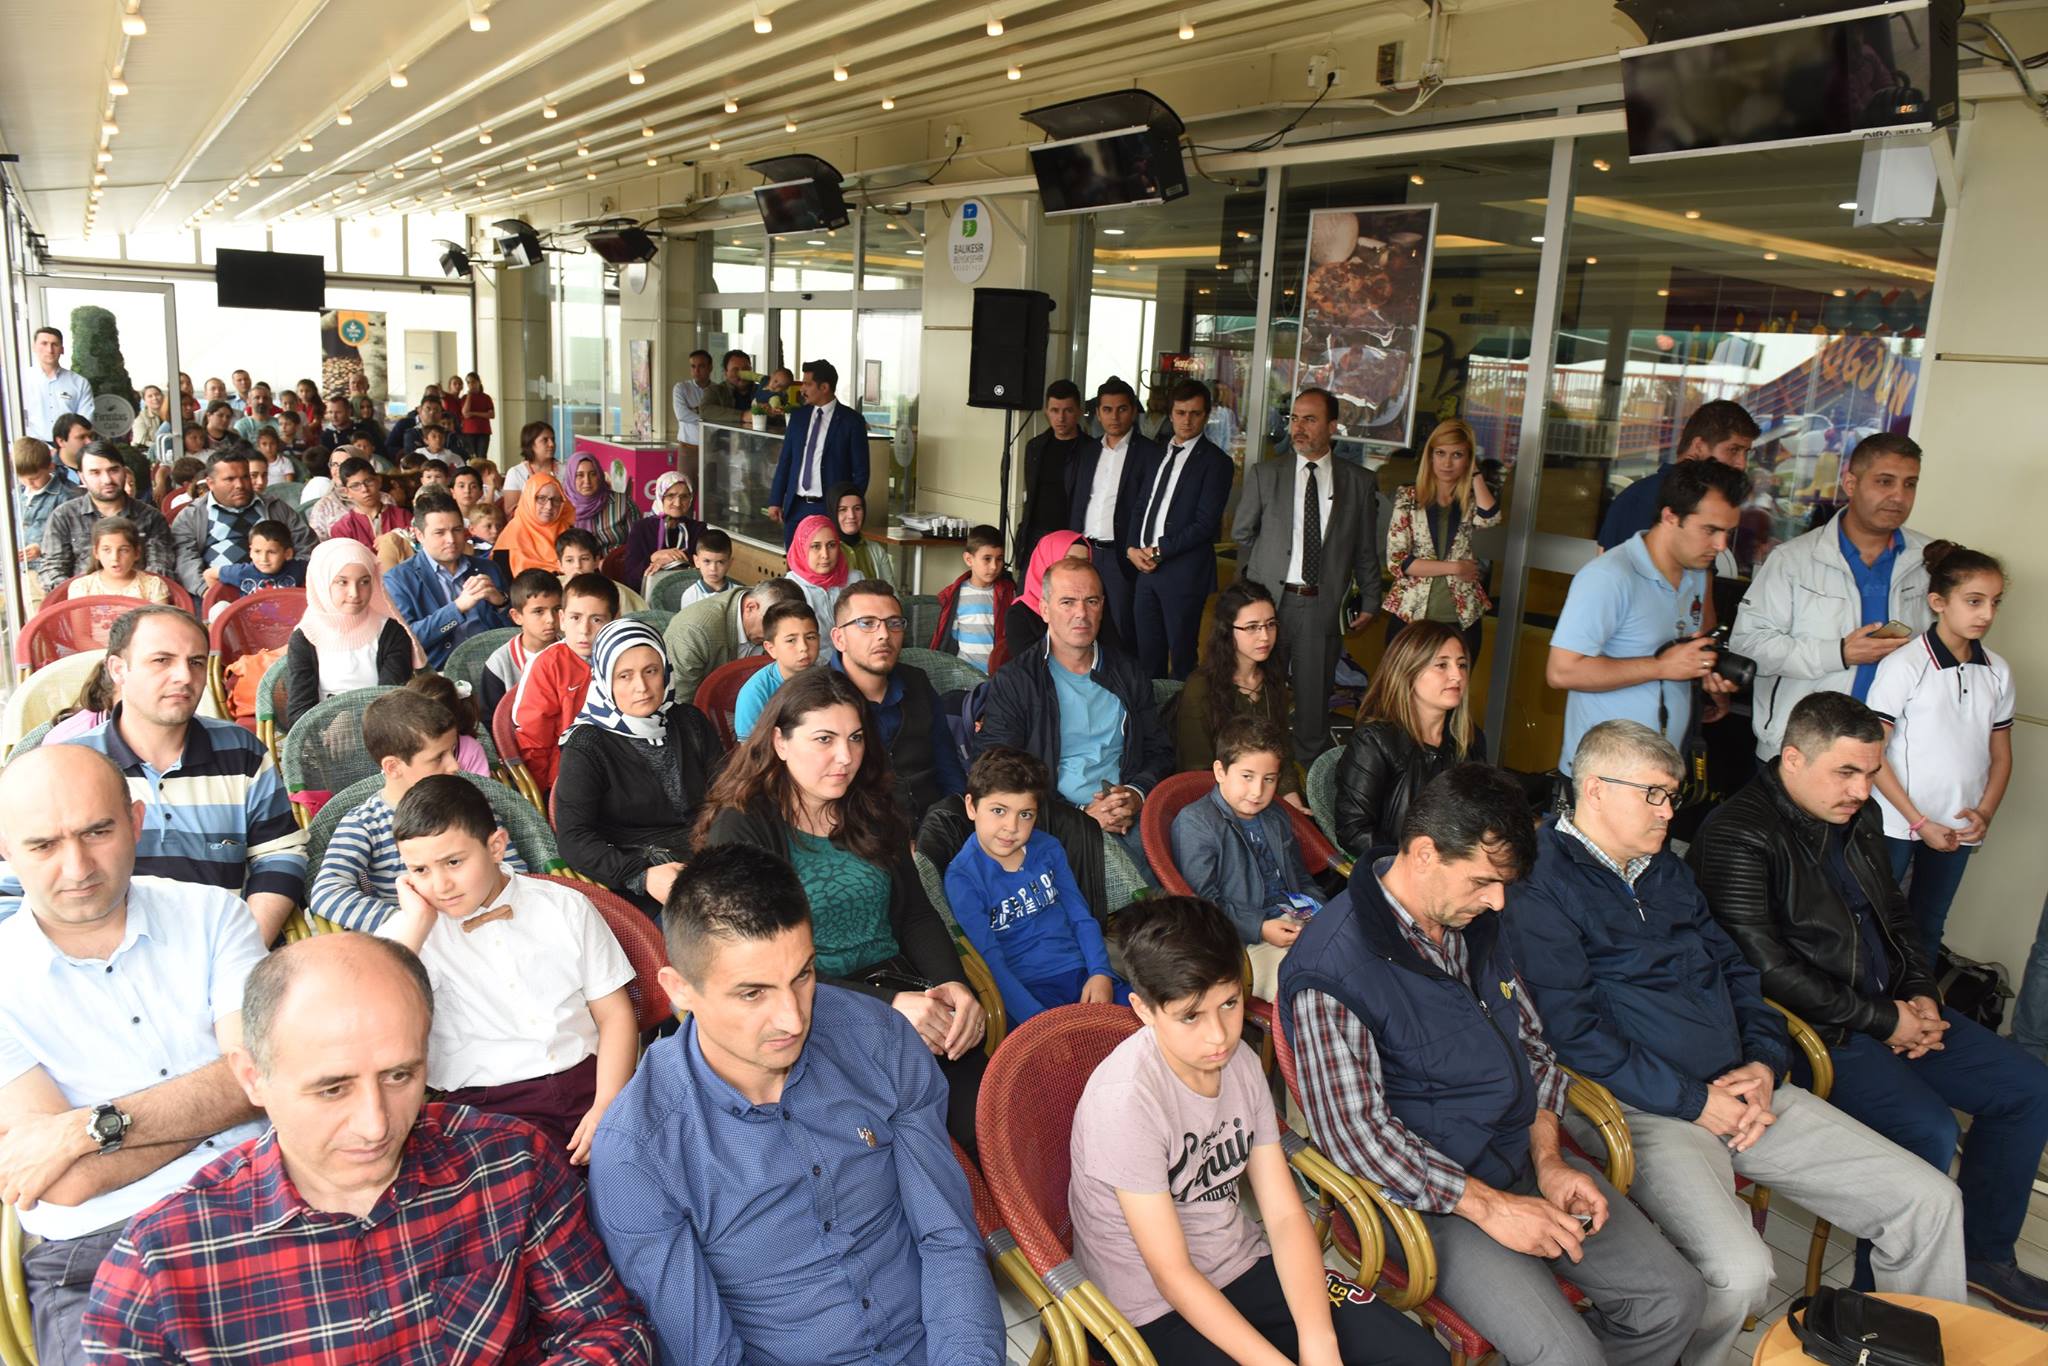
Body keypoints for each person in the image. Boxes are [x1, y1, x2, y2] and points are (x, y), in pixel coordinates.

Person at [1510, 720, 1968, 1362]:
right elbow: (1573, 1034)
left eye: (1672, 796)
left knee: (1930, 1201)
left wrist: (1763, 1062)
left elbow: (1738, 972)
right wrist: (1696, 1101)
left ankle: (1904, 1356)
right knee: (1742, 1274)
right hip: (1642, 1107)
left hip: (1746, 1091)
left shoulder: (1664, 870)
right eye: (1653, 794)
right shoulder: (1538, 885)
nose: (1669, 811)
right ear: (1595, 789)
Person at [1282, 764, 1708, 1364]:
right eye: (1484, 881)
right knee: (1569, 1359)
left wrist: (1550, 1160)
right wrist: (1490, 1206)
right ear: (1424, 853)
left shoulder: (1474, 922)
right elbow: (1359, 1138)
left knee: (1676, 1299)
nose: (1499, 900)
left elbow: (1532, 1047)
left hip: (1521, 1156)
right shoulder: (1331, 969)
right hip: (1429, 1201)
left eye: (1504, 884)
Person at [82, 932, 654, 1362]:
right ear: (252, 1078)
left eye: (399, 1076)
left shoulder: (509, 1164)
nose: (376, 1125)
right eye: (333, 1088)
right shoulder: (158, 1266)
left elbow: (607, 1330)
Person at [1690, 691, 2048, 1318]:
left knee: (2028, 1088)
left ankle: (1981, 1255)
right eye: (1846, 772)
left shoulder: (1857, 815)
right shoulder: (1738, 833)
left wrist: (1922, 994)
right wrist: (1886, 1022)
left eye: (1872, 772)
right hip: (1812, 1031)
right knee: (1928, 1128)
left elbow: (1897, 918)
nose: (1861, 789)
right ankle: (1873, 1307)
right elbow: (1765, 970)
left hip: (1889, 1007)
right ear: (1793, 759)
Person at [587, 843, 1004, 1365]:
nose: (792, 1018)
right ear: (680, 990)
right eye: (752, 993)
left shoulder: (878, 1038)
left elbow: (946, 1237)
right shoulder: (639, 1152)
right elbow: (705, 1354)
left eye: (802, 975)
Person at [1072, 895, 1446, 1366]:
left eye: (1229, 1003)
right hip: (1149, 1306)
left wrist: (1319, 1341)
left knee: (1417, 1356)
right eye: (1190, 1016)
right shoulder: (1126, 1101)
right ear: (1144, 1010)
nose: (1219, 1036)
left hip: (1238, 1262)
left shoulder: (1241, 1063)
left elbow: (1285, 1215)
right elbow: (1172, 1274)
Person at [0, 745, 268, 1366]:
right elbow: (66, 1183)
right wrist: (229, 1096)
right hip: (95, 1253)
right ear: (6, 849)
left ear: (136, 821)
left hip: (261, 1201)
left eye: (97, 831)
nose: (76, 867)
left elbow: (258, 1078)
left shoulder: (214, 916)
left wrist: (85, 1131)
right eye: (43, 845)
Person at [695, 668, 989, 1151]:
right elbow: (758, 964)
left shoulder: (872, 807)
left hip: (904, 992)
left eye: (855, 738)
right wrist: (888, 1007)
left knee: (990, 1123)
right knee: (884, 1149)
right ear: (780, 742)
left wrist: (953, 985)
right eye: (824, 739)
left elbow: (915, 914)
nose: (846, 757)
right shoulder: (743, 826)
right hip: (808, 1014)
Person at [380, 775, 636, 1159]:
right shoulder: (407, 938)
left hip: (592, 1083)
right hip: (485, 1108)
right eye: (420, 870)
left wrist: (607, 1106)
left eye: (453, 862)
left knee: (637, 1176)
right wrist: (417, 925)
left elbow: (614, 1014)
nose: (441, 885)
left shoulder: (564, 906)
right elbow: (367, 1025)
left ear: (496, 846)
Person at [67, 606, 306, 941]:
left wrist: (245, 948)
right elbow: (17, 884)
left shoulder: (242, 753)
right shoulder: (70, 766)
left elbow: (279, 854)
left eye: (195, 662)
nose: (184, 676)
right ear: (118, 670)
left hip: (229, 946)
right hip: (107, 959)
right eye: (161, 660)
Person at [1729, 433, 1933, 759]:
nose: (1899, 496)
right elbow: (1749, 645)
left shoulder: (1928, 560)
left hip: (1892, 754)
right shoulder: (1793, 560)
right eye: (1884, 481)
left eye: (1910, 484)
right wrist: (1838, 653)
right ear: (1850, 484)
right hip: (1804, 750)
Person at [974, 557, 1173, 879]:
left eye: (1091, 601)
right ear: (1044, 609)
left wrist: (1136, 794)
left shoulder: (1128, 673)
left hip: (1129, 811)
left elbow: (1160, 750)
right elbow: (996, 774)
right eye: (1067, 602)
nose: (1081, 613)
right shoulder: (1017, 681)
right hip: (1052, 817)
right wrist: (1080, 815)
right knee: (1138, 882)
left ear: (1102, 607)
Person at [1545, 458, 1747, 774]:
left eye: (1728, 532)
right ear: (1670, 516)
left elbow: (1688, 650)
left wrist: (1707, 677)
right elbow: (1561, 672)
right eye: (1710, 530)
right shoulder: (1609, 576)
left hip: (1662, 772)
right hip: (1603, 780)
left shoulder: (1696, 573)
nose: (1721, 545)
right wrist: (1661, 667)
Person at [1867, 541, 2013, 956]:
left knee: (1928, 927)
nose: (1987, 614)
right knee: (1875, 925)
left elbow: (2001, 756)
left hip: (1958, 824)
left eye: (1995, 602)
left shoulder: (1998, 671)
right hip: (1898, 822)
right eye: (1974, 601)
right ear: (1938, 602)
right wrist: (1918, 822)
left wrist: (1984, 813)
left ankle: (1918, 997)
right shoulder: (1905, 664)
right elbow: (1873, 753)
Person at [1232, 387, 1379, 764]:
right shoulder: (1266, 475)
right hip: (1269, 604)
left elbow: (1365, 548)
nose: (1298, 427)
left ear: (1332, 426)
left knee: (1314, 703)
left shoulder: (1358, 482)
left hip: (1320, 605)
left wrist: (1371, 599)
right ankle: (1258, 768)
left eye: (1310, 419)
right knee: (1260, 691)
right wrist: (1246, 594)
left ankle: (1308, 779)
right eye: (1294, 419)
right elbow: (1243, 534)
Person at [309, 690, 528, 931]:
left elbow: (512, 869)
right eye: (438, 757)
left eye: (453, 751)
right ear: (393, 767)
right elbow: (327, 892)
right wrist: (410, 923)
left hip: (488, 928)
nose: (454, 765)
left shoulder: (467, 801)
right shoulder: (364, 823)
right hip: (421, 941)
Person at [554, 620, 723, 920]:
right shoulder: (587, 745)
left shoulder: (690, 721)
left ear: (665, 671)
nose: (641, 687)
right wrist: (642, 876)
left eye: (651, 671)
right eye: (624, 676)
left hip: (711, 854)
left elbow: (726, 795)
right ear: (604, 680)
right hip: (641, 874)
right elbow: (574, 838)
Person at [945, 746, 1120, 1024]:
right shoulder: (962, 879)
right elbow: (990, 962)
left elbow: (1080, 916)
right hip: (1026, 993)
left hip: (1081, 972)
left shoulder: (1048, 848)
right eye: (999, 811)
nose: (1011, 826)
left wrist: (1100, 972)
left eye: (1025, 814)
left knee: (1148, 1022)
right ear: (971, 806)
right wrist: (1038, 1021)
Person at [1172, 715, 1324, 1001]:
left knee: (1356, 962)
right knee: (1313, 987)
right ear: (1220, 771)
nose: (1258, 791)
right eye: (1247, 776)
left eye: (1269, 780)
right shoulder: (1196, 823)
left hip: (1295, 923)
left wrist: (1318, 912)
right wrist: (1260, 927)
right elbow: (1202, 905)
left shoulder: (1276, 815)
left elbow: (1301, 877)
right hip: (1243, 943)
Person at [1335, 621, 1487, 857]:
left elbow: (1481, 815)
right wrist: (1418, 864)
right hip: (1395, 869)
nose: (1457, 675)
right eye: (1442, 665)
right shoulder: (1374, 742)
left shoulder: (1469, 739)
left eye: (1462, 665)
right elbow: (1353, 832)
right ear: (1408, 671)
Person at [1125, 378, 1233, 680]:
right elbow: (1141, 505)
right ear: (1170, 414)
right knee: (1148, 656)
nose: (1187, 420)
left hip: (1183, 573)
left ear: (1206, 415)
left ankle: (1182, 711)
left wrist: (1158, 551)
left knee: (1183, 658)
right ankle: (1152, 710)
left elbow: (1205, 524)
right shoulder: (1156, 453)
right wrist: (1131, 548)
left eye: (1195, 413)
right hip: (1144, 570)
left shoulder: (1217, 463)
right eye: (1181, 413)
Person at [831, 581, 969, 816]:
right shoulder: (817, 697)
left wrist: (954, 820)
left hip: (932, 820)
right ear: (838, 638)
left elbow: (947, 764)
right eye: (867, 623)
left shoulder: (917, 682)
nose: (884, 635)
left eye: (894, 623)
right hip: (857, 827)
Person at [1381, 418, 1501, 665]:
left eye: (1457, 455)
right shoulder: (1408, 497)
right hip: (1411, 612)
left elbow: (1491, 517)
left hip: (1462, 616)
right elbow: (1398, 562)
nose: (1447, 463)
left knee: (1454, 686)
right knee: (1403, 685)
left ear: (1468, 459)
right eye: (1440, 453)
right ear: (1430, 456)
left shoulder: (1470, 500)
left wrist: (1475, 473)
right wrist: (1455, 567)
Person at [1178, 580, 1300, 802]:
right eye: (1252, 627)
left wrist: (1292, 801)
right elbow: (1196, 769)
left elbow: (1282, 755)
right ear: (1227, 631)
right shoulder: (1201, 687)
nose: (1265, 636)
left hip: (1266, 792)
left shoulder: (1273, 679)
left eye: (1270, 624)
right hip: (1216, 801)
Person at [281, 539, 422, 728]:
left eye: (364, 582)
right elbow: (299, 713)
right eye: (342, 582)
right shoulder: (305, 637)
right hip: (325, 735)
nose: (355, 592)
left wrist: (352, 725)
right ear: (322, 583)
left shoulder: (391, 632)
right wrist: (331, 728)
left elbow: (392, 702)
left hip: (383, 732)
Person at [1598, 400, 1758, 552]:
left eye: (1746, 453)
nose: (1742, 464)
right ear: (1698, 446)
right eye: (1733, 450)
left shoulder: (1699, 497)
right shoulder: (1646, 499)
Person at [382, 489, 512, 669]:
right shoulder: (398, 579)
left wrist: (501, 603)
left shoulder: (488, 568)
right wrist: (457, 608)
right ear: (419, 535)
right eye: (439, 532)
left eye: (457, 530)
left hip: (495, 665)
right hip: (441, 672)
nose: (451, 539)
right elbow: (406, 640)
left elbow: (516, 627)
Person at [1069, 376, 1156, 643]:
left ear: (1134, 410)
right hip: (1085, 551)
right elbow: (1078, 499)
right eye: (1107, 409)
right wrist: (1073, 541)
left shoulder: (1150, 453)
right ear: (1098, 413)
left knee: (1121, 629)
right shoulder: (1087, 451)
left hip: (1122, 555)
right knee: (1079, 623)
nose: (1114, 417)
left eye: (1122, 409)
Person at [512, 573, 617, 791]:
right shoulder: (547, 665)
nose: (584, 630)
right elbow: (534, 739)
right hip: (567, 777)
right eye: (575, 617)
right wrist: (545, 793)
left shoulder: (624, 658)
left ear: (614, 620)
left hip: (619, 769)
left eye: (597, 619)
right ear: (562, 618)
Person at [168, 449, 316, 595]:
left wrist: (291, 577)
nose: (240, 485)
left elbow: (306, 545)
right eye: (230, 479)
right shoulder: (191, 516)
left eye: (245, 477)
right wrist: (206, 591)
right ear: (210, 483)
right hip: (218, 593)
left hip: (277, 590)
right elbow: (184, 560)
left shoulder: (275, 507)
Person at [38, 442, 175, 588]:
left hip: (140, 596)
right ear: (82, 477)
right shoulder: (64, 516)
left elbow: (160, 568)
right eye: (95, 473)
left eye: (113, 470)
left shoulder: (151, 517)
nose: (107, 480)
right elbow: (53, 570)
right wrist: (77, 594)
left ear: (124, 471)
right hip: (80, 598)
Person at [768, 360, 869, 544]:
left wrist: (847, 508)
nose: (802, 389)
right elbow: (786, 461)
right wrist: (775, 500)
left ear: (824, 387)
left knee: (826, 558)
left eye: (807, 384)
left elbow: (861, 471)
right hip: (796, 506)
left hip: (830, 507)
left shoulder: (851, 421)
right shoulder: (798, 416)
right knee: (794, 559)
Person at [665, 574, 806, 702]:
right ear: (750, 607)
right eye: (774, 624)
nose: (781, 635)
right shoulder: (694, 632)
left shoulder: (764, 607)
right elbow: (681, 701)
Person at [1016, 378, 1094, 570]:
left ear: (1078, 411)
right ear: (1046, 411)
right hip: (1035, 534)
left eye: (1068, 410)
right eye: (1055, 410)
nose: (1061, 418)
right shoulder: (1035, 447)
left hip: (1071, 536)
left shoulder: (1091, 450)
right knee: (1029, 587)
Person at [1003, 529, 1103, 662]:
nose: (1079, 570)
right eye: (1070, 562)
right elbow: (1030, 667)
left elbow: (1114, 655)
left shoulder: (1093, 602)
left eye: (1085, 563)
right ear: (1046, 561)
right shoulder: (1019, 614)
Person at [479, 567, 563, 722]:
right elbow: (493, 723)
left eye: (557, 609)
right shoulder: (500, 664)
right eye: (538, 611)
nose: (551, 619)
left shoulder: (574, 650)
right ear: (517, 616)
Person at [929, 523, 1014, 672]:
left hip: (998, 674)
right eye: (987, 559)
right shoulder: (955, 596)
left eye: (999, 559)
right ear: (969, 559)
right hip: (965, 673)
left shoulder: (1008, 593)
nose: (994, 566)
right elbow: (952, 635)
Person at [732, 600, 820, 742]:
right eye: (791, 640)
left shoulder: (827, 680)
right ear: (771, 648)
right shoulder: (755, 693)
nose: (803, 647)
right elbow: (751, 751)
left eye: (810, 637)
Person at [784, 512, 863, 662]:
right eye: (815, 546)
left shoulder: (855, 580)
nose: (825, 554)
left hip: (855, 660)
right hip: (812, 667)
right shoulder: (791, 588)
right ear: (802, 548)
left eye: (831, 545)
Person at [12, 436, 80, 596]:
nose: (29, 483)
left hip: (47, 571)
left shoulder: (65, 497)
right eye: (22, 478)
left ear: (50, 466)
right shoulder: (16, 495)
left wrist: (42, 547)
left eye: (34, 478)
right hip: (19, 570)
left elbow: (73, 536)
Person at [622, 469, 703, 590]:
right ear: (660, 497)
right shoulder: (641, 528)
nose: (678, 503)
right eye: (671, 496)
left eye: (684, 497)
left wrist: (671, 561)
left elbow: (705, 569)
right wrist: (653, 557)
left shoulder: (698, 529)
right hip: (647, 594)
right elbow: (630, 578)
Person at [70, 517, 171, 603]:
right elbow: (79, 620)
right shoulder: (82, 587)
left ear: (136, 553)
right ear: (96, 552)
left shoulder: (152, 586)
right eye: (106, 550)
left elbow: (160, 620)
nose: (115, 558)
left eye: (123, 550)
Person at [497, 471, 576, 578]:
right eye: (541, 498)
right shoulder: (509, 540)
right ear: (528, 499)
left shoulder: (570, 532)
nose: (549, 506)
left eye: (556, 500)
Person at [21, 325, 94, 441]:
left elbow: (85, 422)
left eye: (54, 344)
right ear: (34, 347)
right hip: (31, 446)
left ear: (62, 349)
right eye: (44, 343)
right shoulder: (22, 380)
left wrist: (64, 446)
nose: (49, 350)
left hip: (67, 447)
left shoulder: (79, 383)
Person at [556, 527, 648, 612]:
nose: (577, 566)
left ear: (596, 561)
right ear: (560, 565)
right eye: (569, 560)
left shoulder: (616, 593)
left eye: (584, 559)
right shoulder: (554, 589)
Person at [325, 456, 410, 548]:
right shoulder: (342, 528)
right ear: (347, 492)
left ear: (379, 481)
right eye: (355, 486)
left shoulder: (403, 516)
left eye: (368, 481)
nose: (364, 489)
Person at [566, 450, 637, 555]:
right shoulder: (562, 506)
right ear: (571, 477)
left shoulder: (622, 503)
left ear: (599, 475)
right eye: (579, 475)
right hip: (576, 564)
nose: (587, 481)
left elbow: (638, 542)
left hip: (617, 563)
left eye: (593, 474)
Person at [825, 480, 891, 582]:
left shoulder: (877, 550)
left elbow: (891, 590)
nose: (851, 516)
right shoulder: (823, 552)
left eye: (857, 508)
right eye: (843, 509)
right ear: (832, 512)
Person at [216, 520, 304, 595]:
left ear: (288, 554)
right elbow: (210, 574)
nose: (264, 559)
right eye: (257, 551)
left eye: (271, 552)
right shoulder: (240, 572)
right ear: (250, 551)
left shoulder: (299, 568)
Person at [676, 525, 731, 608]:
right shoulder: (690, 596)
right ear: (696, 561)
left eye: (720, 562)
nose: (713, 568)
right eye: (707, 561)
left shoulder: (739, 594)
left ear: (729, 563)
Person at [502, 420, 560, 497]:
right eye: (545, 440)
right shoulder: (516, 473)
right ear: (530, 444)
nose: (551, 444)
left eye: (553, 439)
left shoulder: (566, 471)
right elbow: (511, 505)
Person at [698, 347, 757, 422]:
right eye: (735, 370)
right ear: (726, 373)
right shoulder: (714, 391)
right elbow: (704, 410)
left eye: (745, 369)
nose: (742, 373)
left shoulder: (762, 390)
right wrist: (743, 416)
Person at [671, 348, 711, 453]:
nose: (696, 370)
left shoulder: (717, 389)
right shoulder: (681, 388)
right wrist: (709, 420)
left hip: (711, 448)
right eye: (693, 366)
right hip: (687, 447)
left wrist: (694, 412)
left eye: (701, 366)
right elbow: (682, 415)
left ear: (710, 367)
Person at [459, 370, 494, 460]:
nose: (471, 384)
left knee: (482, 456)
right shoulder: (465, 397)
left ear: (479, 382)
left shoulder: (486, 397)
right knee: (471, 456)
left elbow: (491, 415)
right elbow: (465, 413)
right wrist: (469, 396)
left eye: (473, 382)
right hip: (468, 431)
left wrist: (473, 413)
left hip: (483, 431)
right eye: (468, 382)